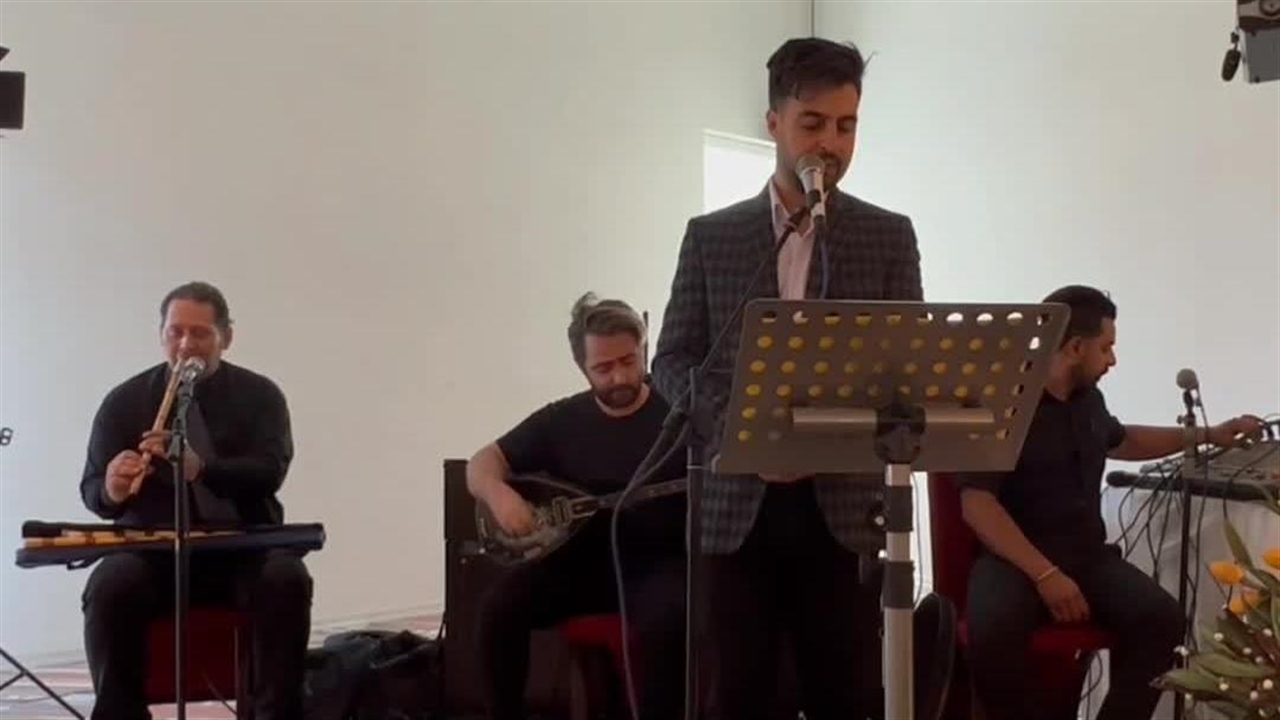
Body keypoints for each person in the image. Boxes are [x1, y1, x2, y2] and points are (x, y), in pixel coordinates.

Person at [651, 37, 924, 720]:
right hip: (736, 508)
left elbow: (906, 369)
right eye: (813, 123)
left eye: (846, 125)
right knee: (737, 696)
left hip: (845, 512)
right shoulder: (711, 237)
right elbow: (673, 360)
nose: (830, 144)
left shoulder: (887, 236)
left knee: (848, 695)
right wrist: (746, 432)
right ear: (773, 123)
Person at [957, 284, 1265, 720]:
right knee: (993, 631)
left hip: (1086, 556)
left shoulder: (1088, 400)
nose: (1113, 360)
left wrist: (1207, 435)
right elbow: (977, 504)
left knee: (1162, 620)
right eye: (1106, 347)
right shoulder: (1005, 402)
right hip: (1014, 560)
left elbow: (1122, 440)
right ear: (1075, 348)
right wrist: (1046, 575)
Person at [79, 281, 312, 720]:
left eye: (200, 333)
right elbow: (93, 491)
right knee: (111, 583)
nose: (186, 345)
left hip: (243, 549)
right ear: (161, 334)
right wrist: (112, 488)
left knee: (286, 579)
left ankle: (276, 714)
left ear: (226, 337)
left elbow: (270, 471)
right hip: (155, 553)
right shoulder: (124, 401)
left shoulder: (261, 396)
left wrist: (201, 469)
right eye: (176, 332)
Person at [467, 292, 687, 720]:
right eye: (603, 368)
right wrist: (498, 494)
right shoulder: (561, 420)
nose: (620, 377)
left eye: (629, 361)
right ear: (582, 368)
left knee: (670, 621)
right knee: (498, 609)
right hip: (579, 567)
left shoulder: (677, 411)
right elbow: (481, 463)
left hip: (658, 565)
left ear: (643, 350)